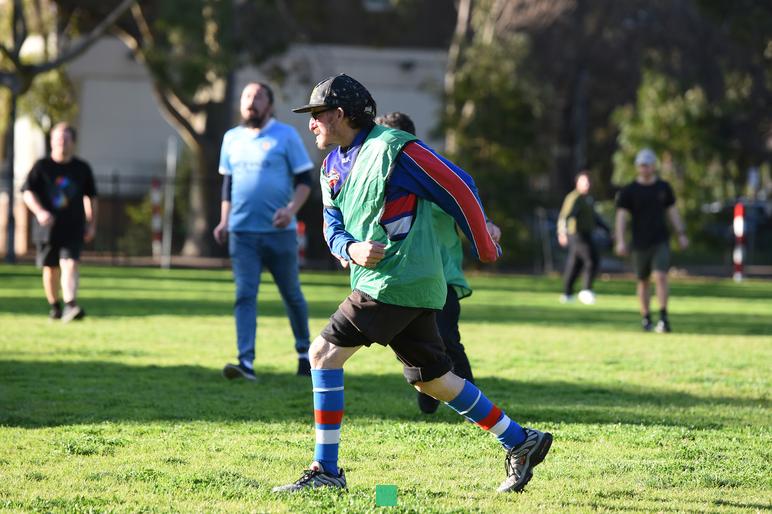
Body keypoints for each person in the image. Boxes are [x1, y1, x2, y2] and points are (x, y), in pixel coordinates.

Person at [273, 74, 551, 494]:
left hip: (394, 282)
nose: (311, 123)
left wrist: (484, 244)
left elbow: (458, 186)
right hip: (399, 283)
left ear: (340, 115)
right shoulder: (331, 167)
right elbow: (331, 228)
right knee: (433, 380)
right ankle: (520, 439)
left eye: (316, 115)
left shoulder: (397, 149)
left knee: (322, 354)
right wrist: (351, 250)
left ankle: (326, 471)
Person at [375, 111, 501, 414]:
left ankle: (476, 405)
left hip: (441, 277)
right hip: (402, 278)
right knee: (415, 343)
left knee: (448, 341)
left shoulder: (432, 173)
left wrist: (485, 225)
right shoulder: (382, 179)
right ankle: (430, 390)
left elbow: (464, 197)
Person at [213, 82, 314, 380]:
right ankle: (246, 363)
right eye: (246, 96)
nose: (251, 101)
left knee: (292, 294)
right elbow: (227, 185)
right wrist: (223, 220)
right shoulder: (231, 139)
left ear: (269, 105)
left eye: (258, 96)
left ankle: (304, 354)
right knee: (244, 295)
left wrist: (291, 211)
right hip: (242, 234)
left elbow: (305, 181)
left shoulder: (286, 136)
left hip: (279, 234)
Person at [21, 122, 97, 323]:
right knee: (50, 269)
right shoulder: (41, 167)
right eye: (57, 138)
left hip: (74, 226)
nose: (61, 142)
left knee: (70, 263)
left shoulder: (82, 168)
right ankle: (55, 306)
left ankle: (71, 304)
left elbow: (90, 197)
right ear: (52, 141)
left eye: (65, 138)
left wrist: (91, 223)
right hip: (48, 229)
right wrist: (39, 212)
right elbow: (27, 192)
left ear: (73, 142)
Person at [615, 148, 688, 333]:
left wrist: (681, 233)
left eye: (647, 165)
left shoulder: (663, 188)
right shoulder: (629, 191)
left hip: (660, 239)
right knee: (643, 280)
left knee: (661, 276)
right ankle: (646, 317)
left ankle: (663, 317)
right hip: (640, 242)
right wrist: (621, 240)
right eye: (641, 165)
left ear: (653, 166)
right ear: (637, 167)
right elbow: (621, 217)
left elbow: (673, 212)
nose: (644, 168)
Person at [557, 171, 610, 305]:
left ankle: (567, 293)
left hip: (586, 234)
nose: (587, 184)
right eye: (584, 182)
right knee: (592, 260)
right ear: (577, 183)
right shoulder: (574, 198)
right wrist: (561, 233)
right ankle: (586, 291)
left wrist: (607, 229)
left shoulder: (588, 198)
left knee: (575, 264)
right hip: (576, 235)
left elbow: (594, 218)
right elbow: (564, 216)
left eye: (588, 182)